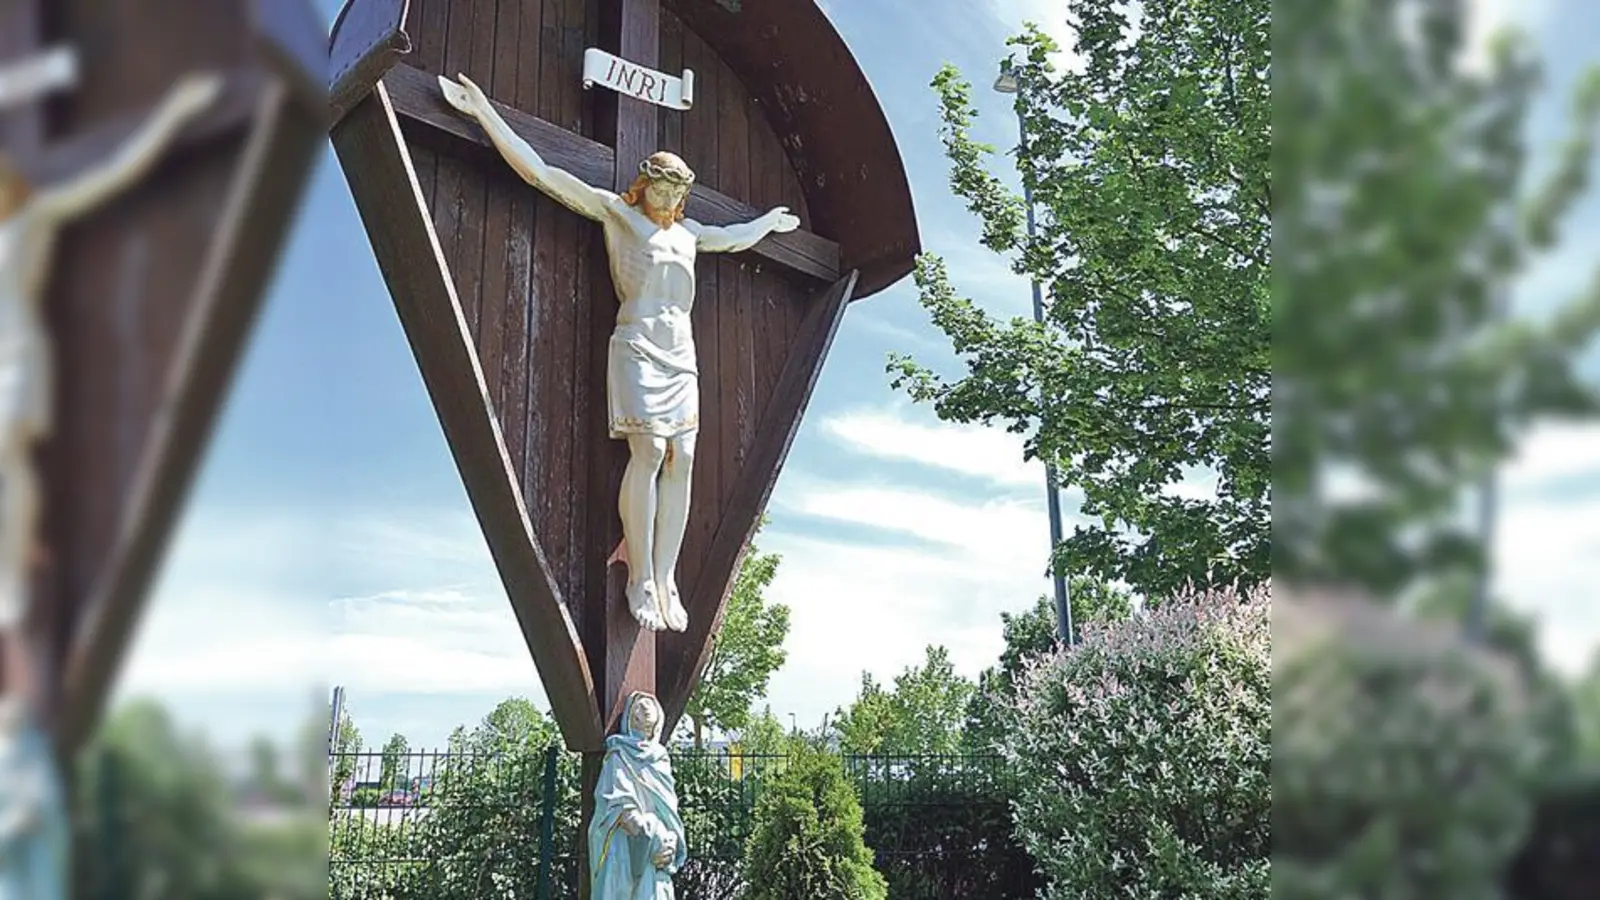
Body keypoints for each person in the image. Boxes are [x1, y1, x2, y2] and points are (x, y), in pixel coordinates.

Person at [439, 73, 799, 633]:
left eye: (677, 192)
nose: (668, 198)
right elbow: (542, 173)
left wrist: (769, 224)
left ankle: (667, 574)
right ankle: (641, 579)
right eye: (661, 187)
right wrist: (484, 113)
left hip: (682, 355)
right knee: (650, 451)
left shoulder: (691, 235)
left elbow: (734, 237)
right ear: (644, 184)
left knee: (683, 460)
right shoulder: (618, 215)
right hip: (636, 344)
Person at [588, 692, 687, 899]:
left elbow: (670, 813)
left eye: (651, 704)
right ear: (631, 716)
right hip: (624, 850)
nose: (647, 708)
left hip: (655, 858)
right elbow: (619, 806)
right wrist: (651, 836)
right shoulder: (618, 755)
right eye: (641, 706)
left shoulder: (660, 759)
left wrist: (670, 842)